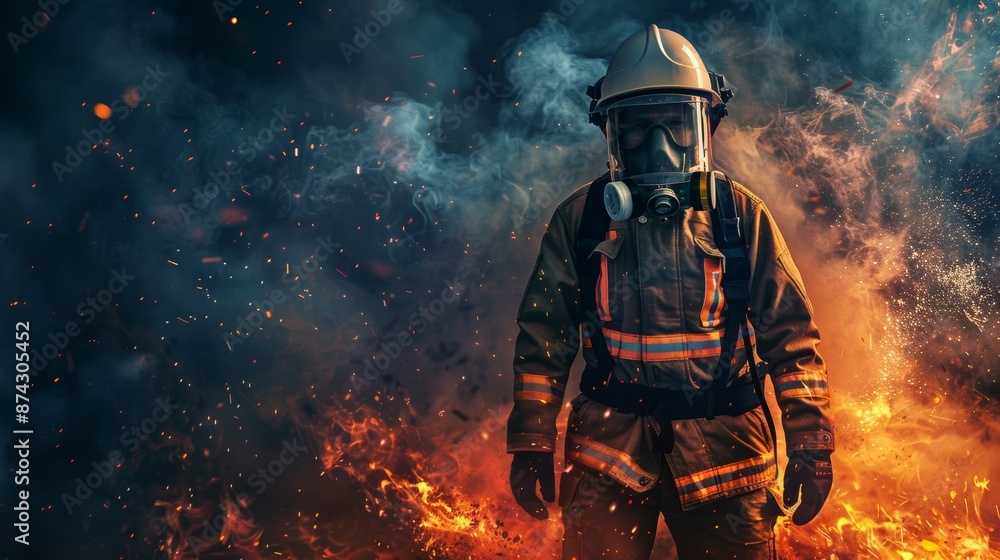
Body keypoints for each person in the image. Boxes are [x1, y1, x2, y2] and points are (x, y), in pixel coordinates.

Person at [506, 24, 834, 559]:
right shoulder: (582, 220)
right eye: (636, 128)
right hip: (608, 460)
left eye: (678, 125)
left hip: (726, 463)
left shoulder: (737, 215)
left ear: (707, 126)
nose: (659, 146)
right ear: (610, 133)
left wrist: (813, 446)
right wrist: (531, 441)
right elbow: (543, 340)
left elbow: (792, 339)